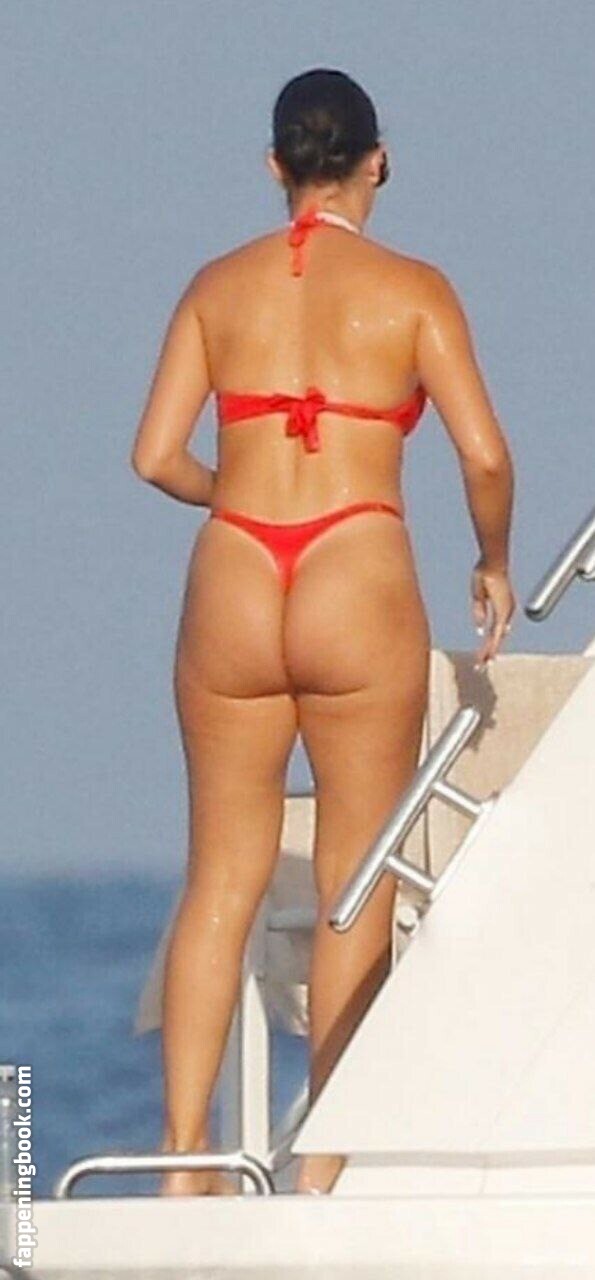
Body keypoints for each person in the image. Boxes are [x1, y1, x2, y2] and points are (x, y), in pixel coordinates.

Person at [130, 67, 516, 1197]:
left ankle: (184, 1160)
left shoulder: (215, 287)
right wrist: (491, 560)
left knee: (220, 876)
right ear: (376, 161)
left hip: (234, 575)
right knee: (356, 871)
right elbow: (484, 455)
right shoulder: (414, 291)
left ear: (274, 166)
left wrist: (237, 493)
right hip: (356, 566)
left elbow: (154, 455)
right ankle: (322, 1165)